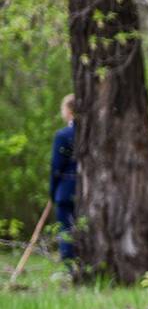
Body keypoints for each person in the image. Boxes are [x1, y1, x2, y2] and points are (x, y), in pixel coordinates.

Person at [50, 94, 77, 264]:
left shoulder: (63, 135)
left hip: (66, 190)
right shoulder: (94, 134)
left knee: (66, 230)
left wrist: (53, 192)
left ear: (68, 110)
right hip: (91, 192)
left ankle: (70, 268)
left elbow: (56, 167)